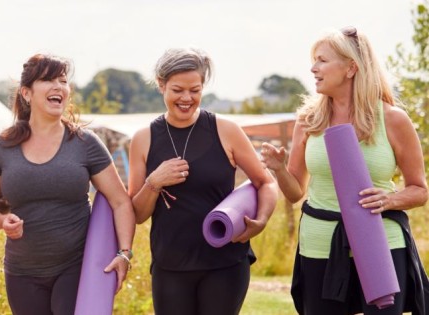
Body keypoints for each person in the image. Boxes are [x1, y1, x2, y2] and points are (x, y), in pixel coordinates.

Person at [261, 27, 429, 315]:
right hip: (320, 243)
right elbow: (294, 193)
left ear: (351, 67)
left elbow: (419, 190)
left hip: (380, 242)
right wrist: (278, 169)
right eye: (314, 60)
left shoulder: (392, 119)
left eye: (322, 60)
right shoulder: (308, 121)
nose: (313, 68)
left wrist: (388, 200)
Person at [0, 53, 136, 315]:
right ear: (26, 93)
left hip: (77, 265)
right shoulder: (1, 146)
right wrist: (1, 221)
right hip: (22, 271)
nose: (58, 87)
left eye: (62, 81)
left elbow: (120, 201)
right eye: (48, 80)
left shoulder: (86, 143)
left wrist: (124, 253)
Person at [128, 47, 278, 315]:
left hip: (225, 263)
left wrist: (262, 220)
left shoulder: (226, 130)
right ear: (161, 85)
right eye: (177, 90)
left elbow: (264, 182)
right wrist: (154, 182)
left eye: (195, 90)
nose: (187, 98)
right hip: (169, 266)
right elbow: (137, 214)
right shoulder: (144, 138)